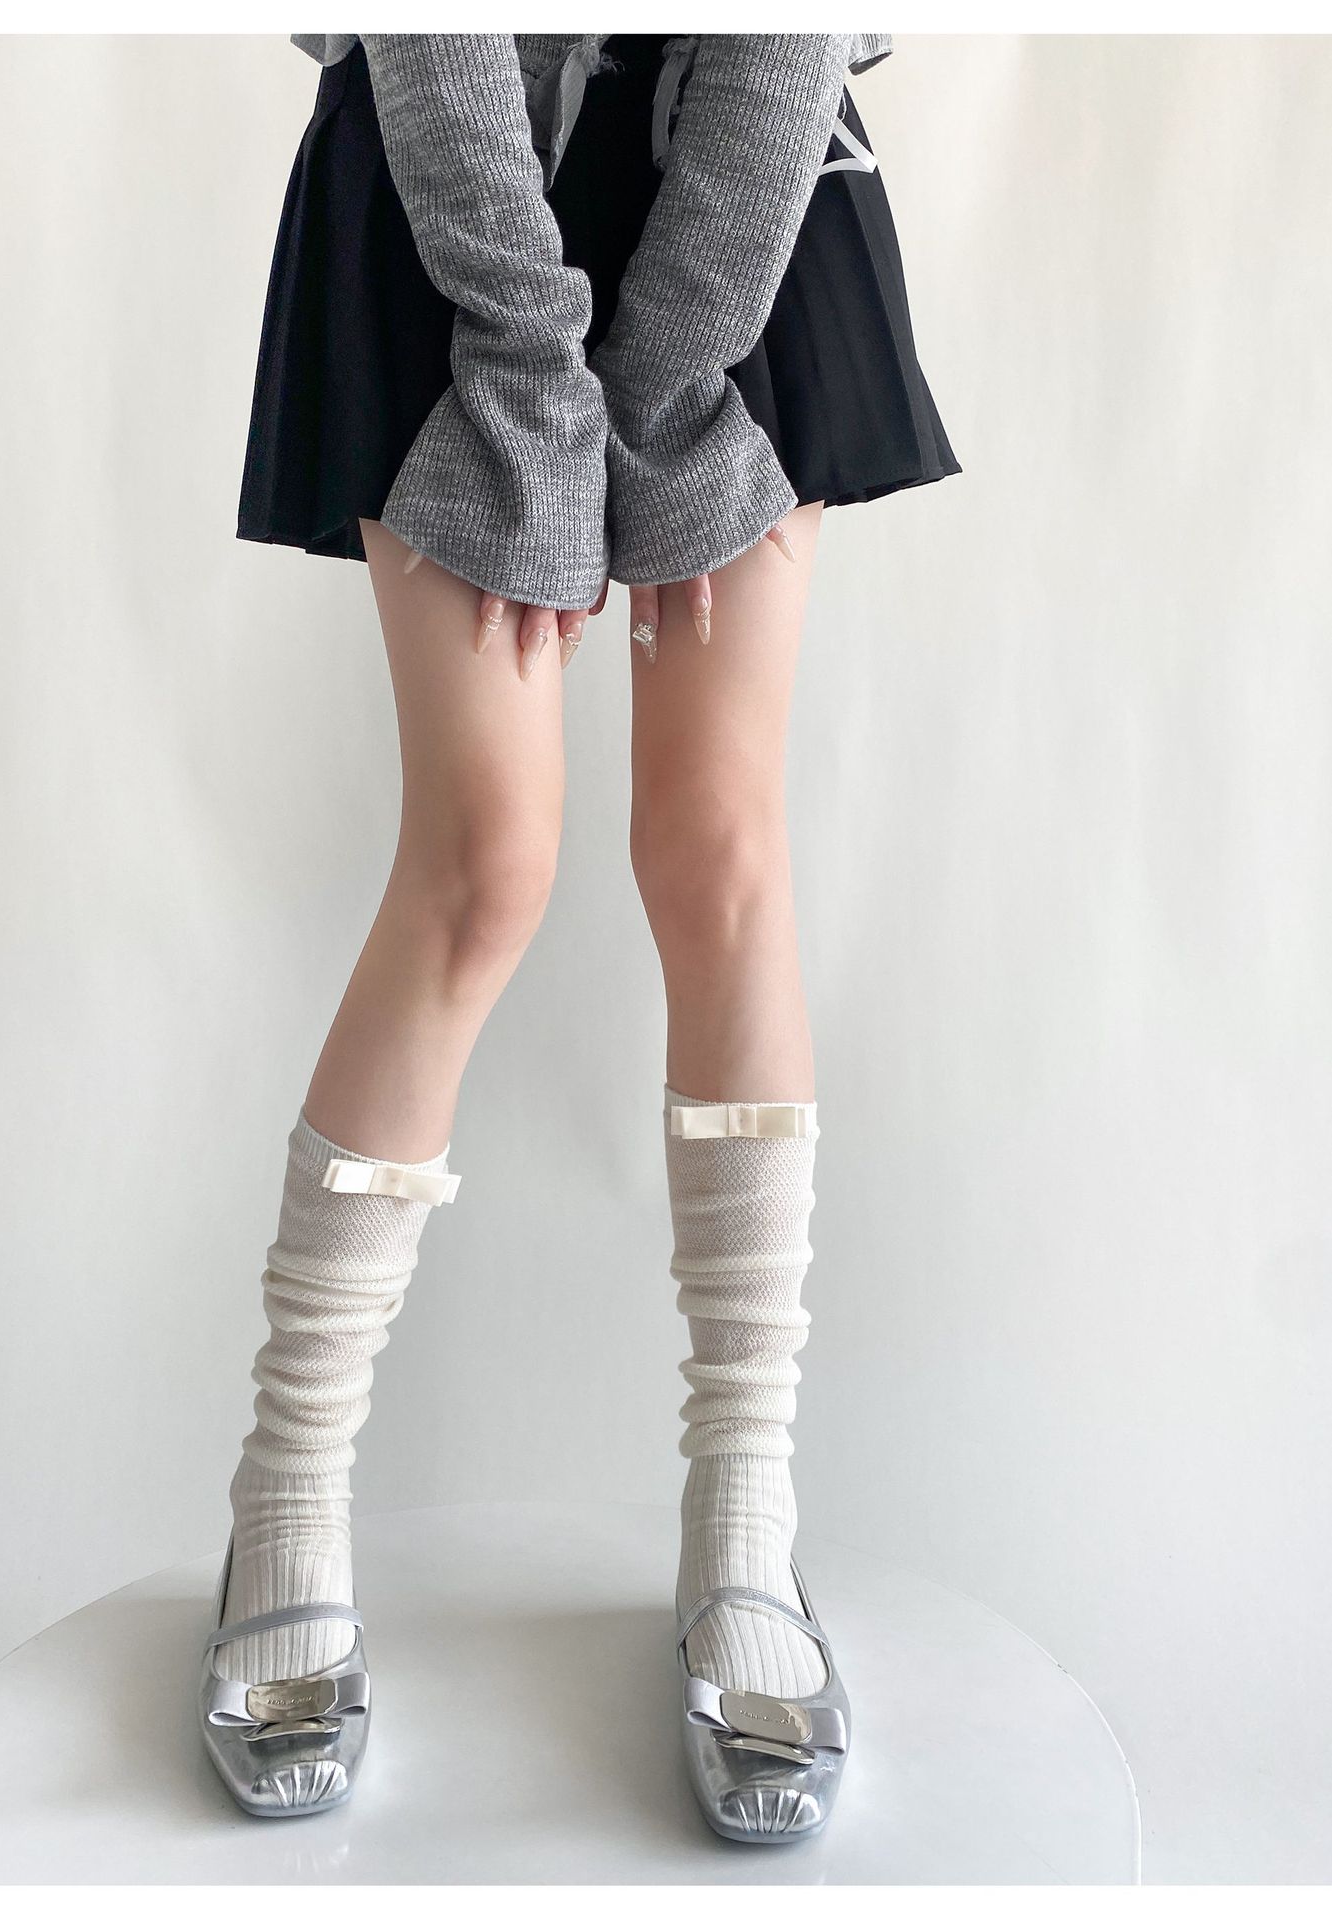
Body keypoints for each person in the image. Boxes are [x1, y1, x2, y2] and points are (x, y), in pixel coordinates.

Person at [203, 30, 958, 1843]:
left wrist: (677, 365)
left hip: (745, 184)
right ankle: (285, 1491)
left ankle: (743, 1520)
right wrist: (525, 370)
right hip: (444, 170)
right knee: (483, 865)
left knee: (718, 851)